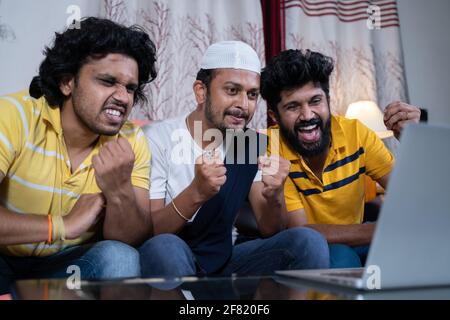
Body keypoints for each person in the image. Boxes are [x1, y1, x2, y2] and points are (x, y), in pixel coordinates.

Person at [140, 41, 329, 277]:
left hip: (225, 258)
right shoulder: (157, 137)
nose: (243, 104)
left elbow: (271, 229)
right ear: (201, 91)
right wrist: (196, 192)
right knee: (163, 247)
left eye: (252, 95)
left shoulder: (247, 143)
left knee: (307, 241)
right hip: (172, 254)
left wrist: (275, 194)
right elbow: (150, 233)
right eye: (232, 90)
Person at [0, 17, 156, 294]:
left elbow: (130, 240)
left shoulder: (131, 141)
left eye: (130, 88)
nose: (123, 97)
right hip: (3, 257)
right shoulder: (14, 116)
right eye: (108, 81)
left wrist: (120, 191)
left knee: (120, 256)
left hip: (65, 266)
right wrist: (61, 225)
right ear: (67, 83)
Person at [260, 49, 421, 268]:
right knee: (341, 258)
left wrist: (414, 142)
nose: (307, 115)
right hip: (312, 251)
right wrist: (378, 229)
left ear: (328, 100)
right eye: (293, 106)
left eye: (315, 101)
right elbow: (302, 232)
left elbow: (410, 199)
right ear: (274, 117)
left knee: (413, 247)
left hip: (359, 240)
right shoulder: (270, 148)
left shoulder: (357, 133)